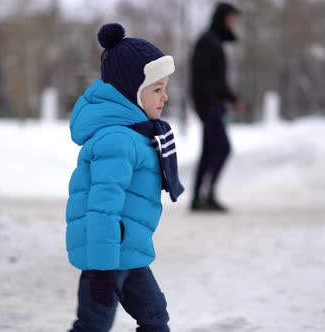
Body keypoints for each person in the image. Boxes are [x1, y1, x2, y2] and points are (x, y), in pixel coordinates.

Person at [65, 23, 183, 332]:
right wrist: (103, 269)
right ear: (131, 93)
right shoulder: (117, 141)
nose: (165, 97)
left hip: (129, 254)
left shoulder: (138, 135)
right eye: (156, 89)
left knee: (155, 316)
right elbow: (102, 208)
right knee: (93, 325)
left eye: (165, 88)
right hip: (105, 258)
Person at [189, 2, 242, 212]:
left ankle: (198, 198)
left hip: (213, 105)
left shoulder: (214, 41)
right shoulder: (207, 42)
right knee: (222, 148)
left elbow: (217, 80)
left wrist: (231, 98)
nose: (233, 23)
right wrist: (209, 105)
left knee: (210, 151)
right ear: (222, 18)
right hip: (209, 106)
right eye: (231, 19)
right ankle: (206, 194)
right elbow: (203, 79)